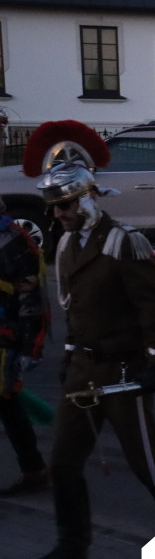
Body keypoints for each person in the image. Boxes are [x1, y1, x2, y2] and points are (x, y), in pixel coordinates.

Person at [12, 120, 155, 559]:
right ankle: (71, 548)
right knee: (64, 463)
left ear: (87, 197)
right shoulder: (68, 245)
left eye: (65, 206)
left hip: (121, 372)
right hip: (83, 372)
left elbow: (153, 309)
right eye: (55, 209)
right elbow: (76, 310)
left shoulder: (123, 242)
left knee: (145, 460)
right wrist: (71, 354)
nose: (58, 216)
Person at [0, 200, 49, 496]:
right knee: (7, 406)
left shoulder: (13, 239)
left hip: (4, 338)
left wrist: (31, 346)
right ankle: (34, 468)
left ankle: (34, 469)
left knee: (6, 403)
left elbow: (31, 299)